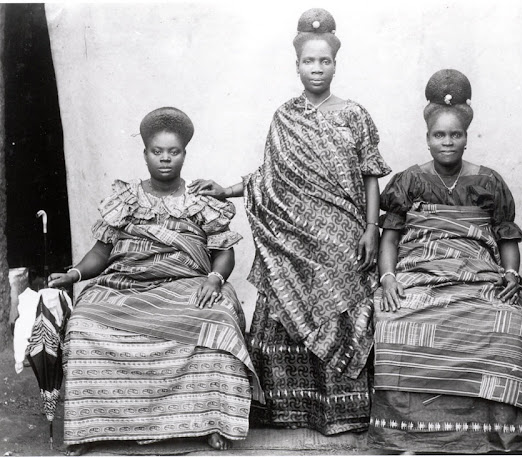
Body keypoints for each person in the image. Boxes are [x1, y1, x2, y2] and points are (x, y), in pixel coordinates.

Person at [190, 8, 391, 435]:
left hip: (344, 231)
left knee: (345, 291)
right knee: (282, 298)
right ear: (296, 64)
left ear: (336, 63)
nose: (316, 69)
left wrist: (371, 228)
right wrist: (227, 189)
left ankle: (343, 412)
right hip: (291, 236)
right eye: (308, 61)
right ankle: (285, 411)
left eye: (325, 61)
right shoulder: (284, 115)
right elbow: (269, 175)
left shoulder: (355, 114)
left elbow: (371, 174)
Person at [48, 107, 263, 455]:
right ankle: (91, 427)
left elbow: (224, 251)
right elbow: (101, 254)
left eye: (173, 152)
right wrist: (74, 273)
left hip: (187, 285)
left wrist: (214, 277)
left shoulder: (201, 199)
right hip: (126, 285)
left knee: (219, 321)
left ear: (184, 154)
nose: (165, 159)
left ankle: (214, 421)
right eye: (157, 152)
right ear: (145, 152)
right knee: (83, 324)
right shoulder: (126, 198)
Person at [368, 70, 522, 453]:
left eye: (455, 135)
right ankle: (407, 434)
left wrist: (511, 273)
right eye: (439, 135)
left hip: (478, 273)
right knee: (394, 320)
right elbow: (391, 237)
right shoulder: (408, 182)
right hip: (420, 272)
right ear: (427, 137)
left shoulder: (489, 182)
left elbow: (506, 238)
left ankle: (499, 433)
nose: (447, 142)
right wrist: (387, 278)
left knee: (508, 326)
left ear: (466, 136)